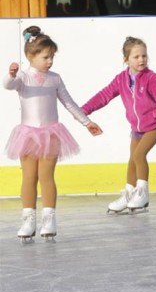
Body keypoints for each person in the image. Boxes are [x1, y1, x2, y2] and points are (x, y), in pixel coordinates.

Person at [3, 26, 102, 242]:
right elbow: (9, 86)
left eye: (52, 57)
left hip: (51, 135)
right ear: (31, 56)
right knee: (29, 177)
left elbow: (68, 102)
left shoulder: (55, 78)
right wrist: (10, 74)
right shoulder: (23, 77)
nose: (50, 61)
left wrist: (86, 122)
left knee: (46, 177)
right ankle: (28, 220)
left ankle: (49, 218)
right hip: (28, 135)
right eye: (45, 57)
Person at [81, 36, 156, 213]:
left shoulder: (151, 78)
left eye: (144, 56)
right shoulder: (121, 79)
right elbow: (104, 95)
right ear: (126, 60)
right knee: (132, 160)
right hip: (137, 128)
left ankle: (143, 193)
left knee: (139, 155)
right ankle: (128, 194)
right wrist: (84, 110)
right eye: (136, 57)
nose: (141, 60)